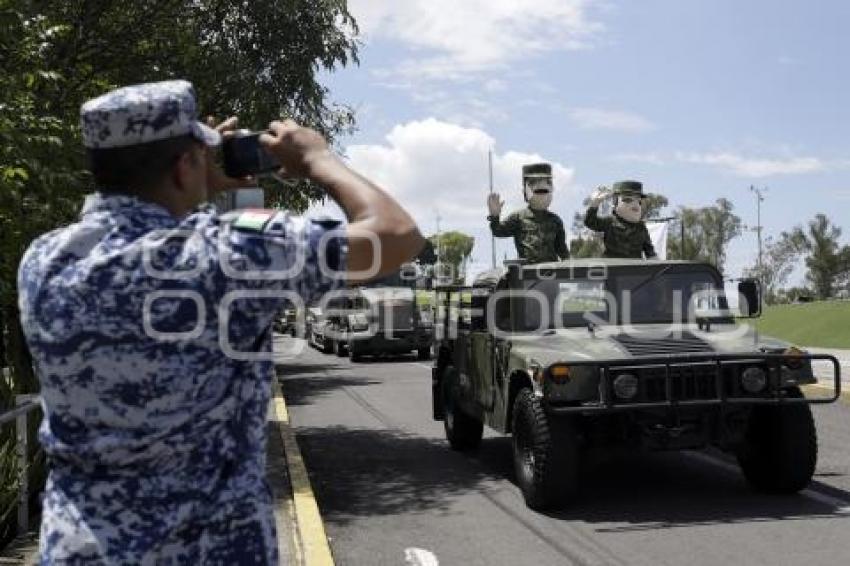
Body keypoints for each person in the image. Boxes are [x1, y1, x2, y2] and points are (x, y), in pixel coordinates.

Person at [17, 80, 423, 564]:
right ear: (185, 165)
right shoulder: (229, 254)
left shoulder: (44, 261)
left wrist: (192, 180)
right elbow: (397, 236)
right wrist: (318, 158)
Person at [486, 162, 570, 263]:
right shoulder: (518, 217)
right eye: (534, 182)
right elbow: (498, 231)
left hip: (552, 271)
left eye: (547, 182)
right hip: (528, 273)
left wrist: (569, 267)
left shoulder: (556, 220)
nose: (541, 186)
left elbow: (562, 249)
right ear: (525, 191)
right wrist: (495, 217)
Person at [584, 180, 657, 259]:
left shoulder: (641, 227)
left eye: (639, 202)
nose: (635, 204)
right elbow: (590, 222)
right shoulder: (610, 222)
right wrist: (596, 202)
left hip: (634, 269)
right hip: (612, 268)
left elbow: (650, 252)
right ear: (615, 202)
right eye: (628, 200)